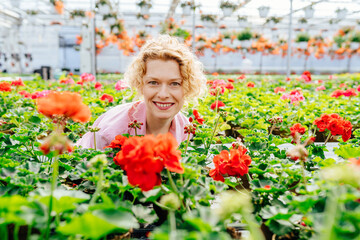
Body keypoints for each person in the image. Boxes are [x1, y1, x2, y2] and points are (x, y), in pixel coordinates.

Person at [77, 35, 206, 150]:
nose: (163, 94)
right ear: (140, 84)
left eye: (175, 84)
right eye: (153, 82)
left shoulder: (184, 128)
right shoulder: (110, 132)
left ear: (188, 87)